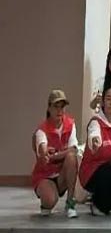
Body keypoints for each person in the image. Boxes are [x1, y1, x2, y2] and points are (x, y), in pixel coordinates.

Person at [78, 86, 111, 215]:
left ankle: (98, 202)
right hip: (91, 172)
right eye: (108, 99)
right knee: (109, 171)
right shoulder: (96, 122)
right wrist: (95, 141)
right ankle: (97, 203)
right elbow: (94, 135)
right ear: (103, 102)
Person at [31, 90, 78, 218]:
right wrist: (44, 152)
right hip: (45, 175)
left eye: (62, 107)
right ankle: (46, 201)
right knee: (50, 200)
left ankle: (70, 202)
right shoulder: (42, 130)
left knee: (72, 158)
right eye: (56, 107)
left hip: (62, 173)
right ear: (49, 108)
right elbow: (42, 147)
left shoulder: (70, 124)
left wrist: (56, 156)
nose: (59, 111)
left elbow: (73, 149)